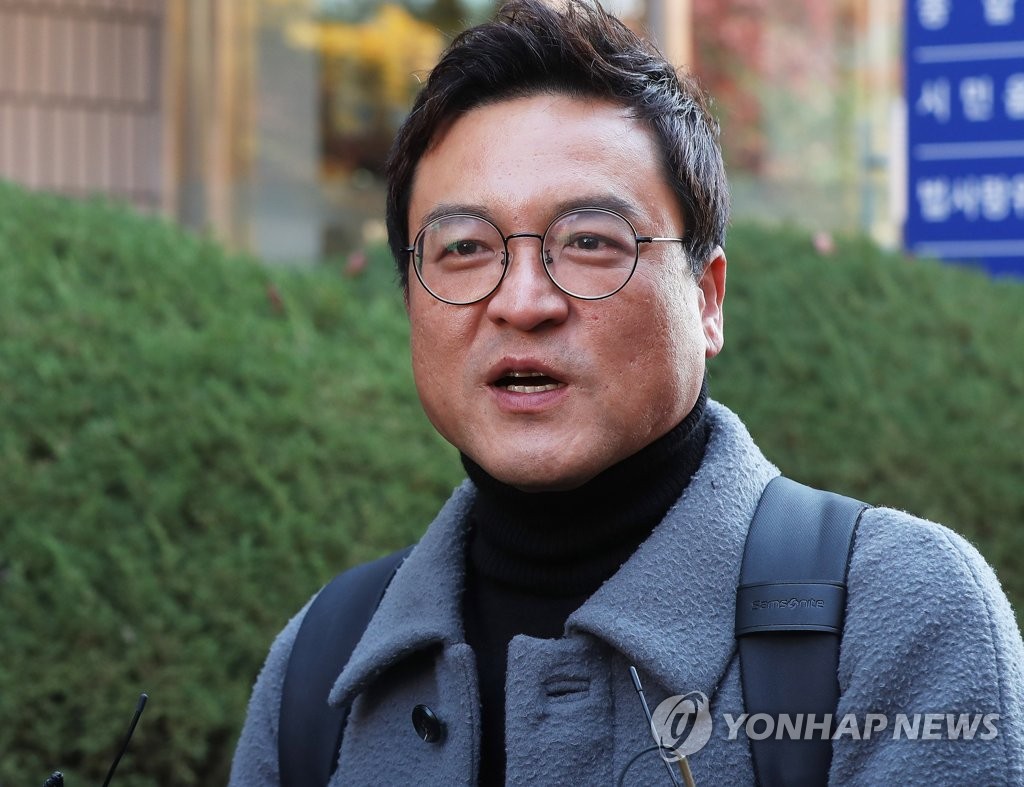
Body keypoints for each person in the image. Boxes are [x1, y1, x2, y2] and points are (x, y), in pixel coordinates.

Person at [229, 2, 1024, 784]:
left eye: (588, 241)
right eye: (464, 247)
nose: (523, 301)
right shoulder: (320, 666)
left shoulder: (894, 617)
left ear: (707, 298)